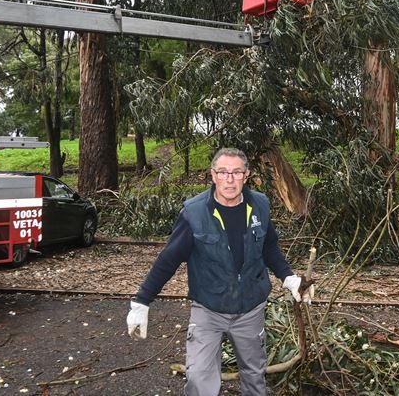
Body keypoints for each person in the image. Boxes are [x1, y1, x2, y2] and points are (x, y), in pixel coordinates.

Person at [125, 148, 311, 396]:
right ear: (213, 175)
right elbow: (168, 259)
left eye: (236, 172)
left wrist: (288, 277)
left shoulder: (260, 206)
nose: (230, 179)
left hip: (250, 309)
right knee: (199, 380)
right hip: (208, 309)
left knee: (255, 378)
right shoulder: (194, 213)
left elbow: (269, 248)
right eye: (223, 172)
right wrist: (142, 302)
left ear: (247, 175)